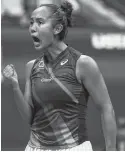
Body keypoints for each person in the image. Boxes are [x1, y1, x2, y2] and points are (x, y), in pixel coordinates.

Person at [3, 1, 117, 151]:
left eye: (40, 22)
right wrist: (15, 86)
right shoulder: (31, 66)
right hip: (34, 148)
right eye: (31, 23)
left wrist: (111, 149)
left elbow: (106, 107)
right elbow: (29, 118)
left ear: (57, 28)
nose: (32, 28)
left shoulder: (83, 64)